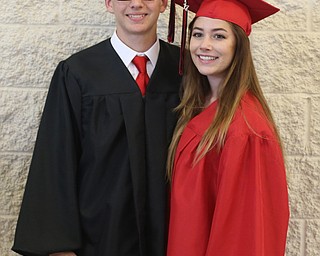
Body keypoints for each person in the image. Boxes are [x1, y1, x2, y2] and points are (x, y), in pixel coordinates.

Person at [12, 0, 181, 255]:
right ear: (109, 3)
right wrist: (61, 248)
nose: (136, 3)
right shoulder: (78, 73)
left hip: (176, 238)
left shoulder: (188, 70)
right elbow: (56, 163)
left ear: (164, 3)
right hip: (100, 240)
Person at [166, 0, 290, 255]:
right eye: (198, 34)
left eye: (219, 36)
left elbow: (243, 235)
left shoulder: (245, 130)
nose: (205, 45)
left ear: (238, 47)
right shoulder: (199, 106)